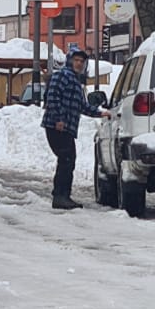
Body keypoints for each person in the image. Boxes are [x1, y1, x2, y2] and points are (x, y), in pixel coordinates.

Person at [41, 45, 109, 210]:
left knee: (67, 159)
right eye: (76, 60)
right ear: (69, 61)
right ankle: (60, 197)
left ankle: (62, 193)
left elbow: (82, 106)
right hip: (57, 126)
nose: (79, 63)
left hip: (66, 127)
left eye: (82, 61)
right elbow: (52, 97)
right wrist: (58, 119)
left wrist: (102, 113)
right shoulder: (62, 76)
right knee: (67, 159)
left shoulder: (75, 81)